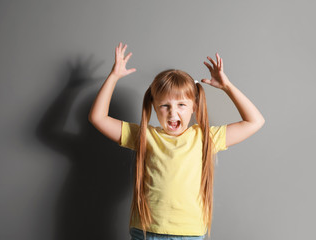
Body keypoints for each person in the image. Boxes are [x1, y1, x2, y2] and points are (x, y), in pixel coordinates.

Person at [88, 42, 265, 240]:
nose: (173, 112)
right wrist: (113, 77)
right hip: (148, 232)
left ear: (194, 107)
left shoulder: (205, 138)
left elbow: (255, 121)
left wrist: (227, 87)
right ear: (154, 107)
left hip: (190, 234)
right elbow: (98, 118)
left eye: (181, 104)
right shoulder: (145, 136)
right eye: (165, 105)